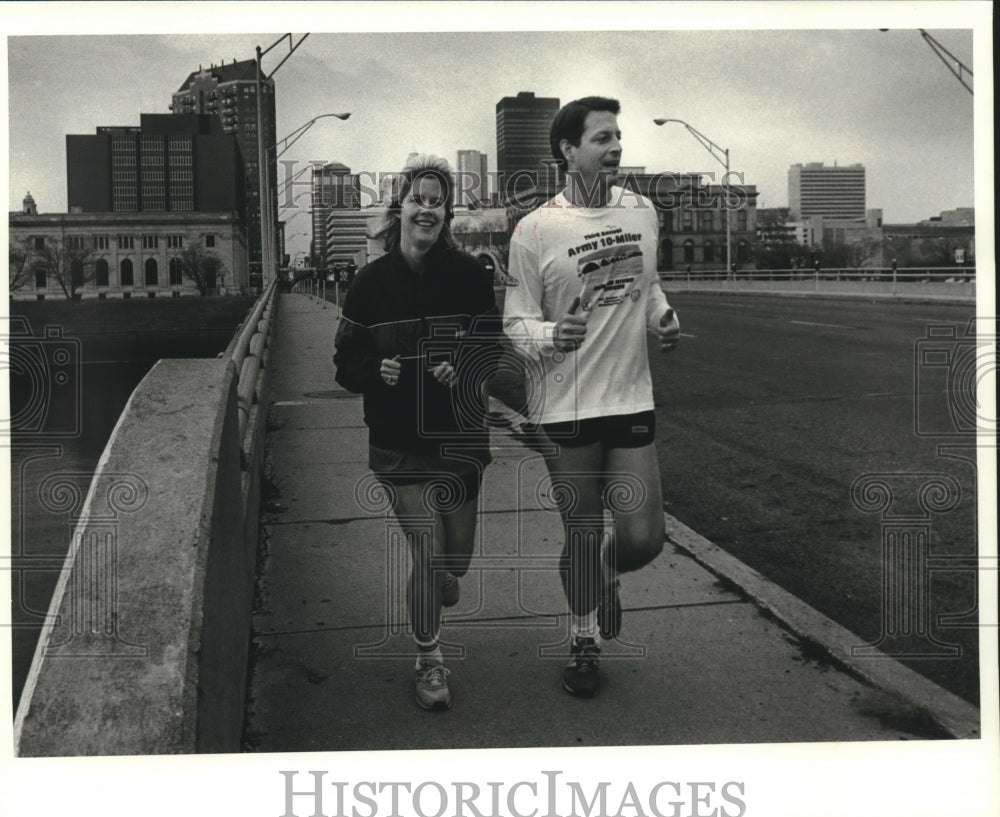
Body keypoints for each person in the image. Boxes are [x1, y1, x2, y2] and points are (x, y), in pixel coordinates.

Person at [503, 97, 681, 697]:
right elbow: (515, 323)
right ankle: (583, 638)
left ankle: (603, 575)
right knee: (581, 531)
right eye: (602, 137)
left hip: (630, 398)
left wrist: (663, 316)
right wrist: (555, 333)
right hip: (566, 408)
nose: (616, 146)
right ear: (567, 150)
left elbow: (648, 282)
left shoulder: (641, 210)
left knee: (642, 539)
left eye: (617, 136)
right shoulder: (535, 230)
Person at [333, 155, 501, 710]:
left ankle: (443, 582)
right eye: (417, 199)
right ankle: (429, 660)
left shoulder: (470, 277)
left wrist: (464, 368)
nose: (426, 209)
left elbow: (490, 349)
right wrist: (371, 373)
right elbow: (344, 361)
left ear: (446, 213)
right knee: (426, 553)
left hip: (459, 440)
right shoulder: (368, 284)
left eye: (436, 201)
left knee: (454, 563)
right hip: (397, 442)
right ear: (398, 208)